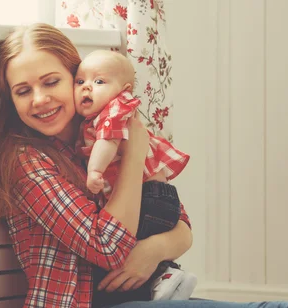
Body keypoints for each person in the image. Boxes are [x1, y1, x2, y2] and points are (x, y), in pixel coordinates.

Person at [0, 22, 288, 308]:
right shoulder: (23, 159)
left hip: (138, 294)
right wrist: (133, 153)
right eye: (23, 91)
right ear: (11, 99)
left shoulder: (97, 134)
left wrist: (152, 251)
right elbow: (107, 247)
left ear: (77, 81)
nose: (39, 99)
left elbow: (178, 220)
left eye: (51, 82)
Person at [73, 49, 196, 301]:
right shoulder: (103, 115)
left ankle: (167, 278)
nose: (87, 88)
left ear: (123, 89)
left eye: (98, 82)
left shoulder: (114, 112)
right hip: (157, 197)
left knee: (131, 243)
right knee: (139, 245)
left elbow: (107, 142)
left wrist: (94, 170)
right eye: (80, 81)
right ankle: (167, 279)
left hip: (150, 197)